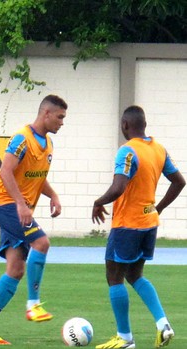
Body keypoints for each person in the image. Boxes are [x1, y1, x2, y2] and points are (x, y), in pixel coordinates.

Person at [0, 95, 67, 345]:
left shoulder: (47, 144)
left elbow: (36, 177)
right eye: (60, 117)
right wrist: (20, 203)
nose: (62, 123)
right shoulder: (21, 138)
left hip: (18, 208)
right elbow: (5, 171)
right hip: (5, 205)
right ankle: (33, 304)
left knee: (15, 269)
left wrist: (53, 194)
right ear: (46, 113)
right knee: (42, 243)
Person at [92, 106, 184, 349]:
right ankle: (163, 324)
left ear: (124, 125)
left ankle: (125, 338)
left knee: (114, 277)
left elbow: (119, 187)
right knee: (134, 274)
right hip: (148, 223)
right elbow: (179, 181)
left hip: (127, 225)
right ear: (144, 124)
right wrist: (159, 208)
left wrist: (98, 201)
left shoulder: (127, 151)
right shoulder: (158, 149)